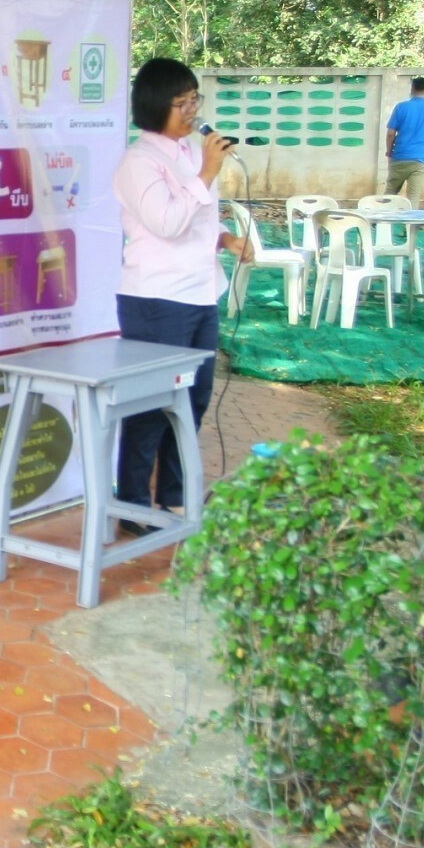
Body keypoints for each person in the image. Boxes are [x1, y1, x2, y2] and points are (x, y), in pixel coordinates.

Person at [111, 59, 245, 517]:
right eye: (181, 103)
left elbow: (199, 217)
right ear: (155, 106)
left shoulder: (189, 151)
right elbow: (167, 222)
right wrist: (207, 172)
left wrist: (226, 239)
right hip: (157, 299)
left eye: (194, 100)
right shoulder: (138, 161)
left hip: (200, 292)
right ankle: (131, 504)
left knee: (193, 399)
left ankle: (172, 495)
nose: (192, 111)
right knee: (151, 405)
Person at [383, 77, 424, 203]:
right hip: (421, 158)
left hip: (400, 155)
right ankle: (411, 217)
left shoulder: (401, 107)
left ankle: (383, 215)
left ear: (412, 88)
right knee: (413, 196)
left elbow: (391, 133)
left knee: (391, 192)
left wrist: (389, 151)